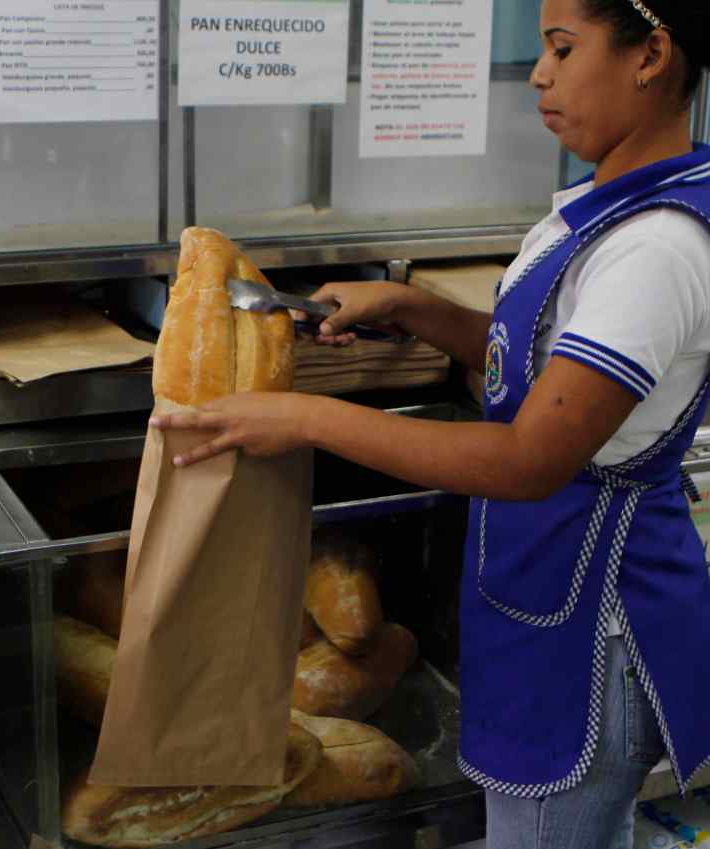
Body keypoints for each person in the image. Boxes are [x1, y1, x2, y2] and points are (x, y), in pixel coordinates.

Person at [150, 1, 710, 847]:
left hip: (592, 629)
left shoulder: (655, 247)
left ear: (651, 54)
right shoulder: (607, 207)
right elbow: (547, 373)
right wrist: (413, 308)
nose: (538, 74)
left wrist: (306, 416)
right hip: (546, 594)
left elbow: (529, 456)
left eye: (563, 49)